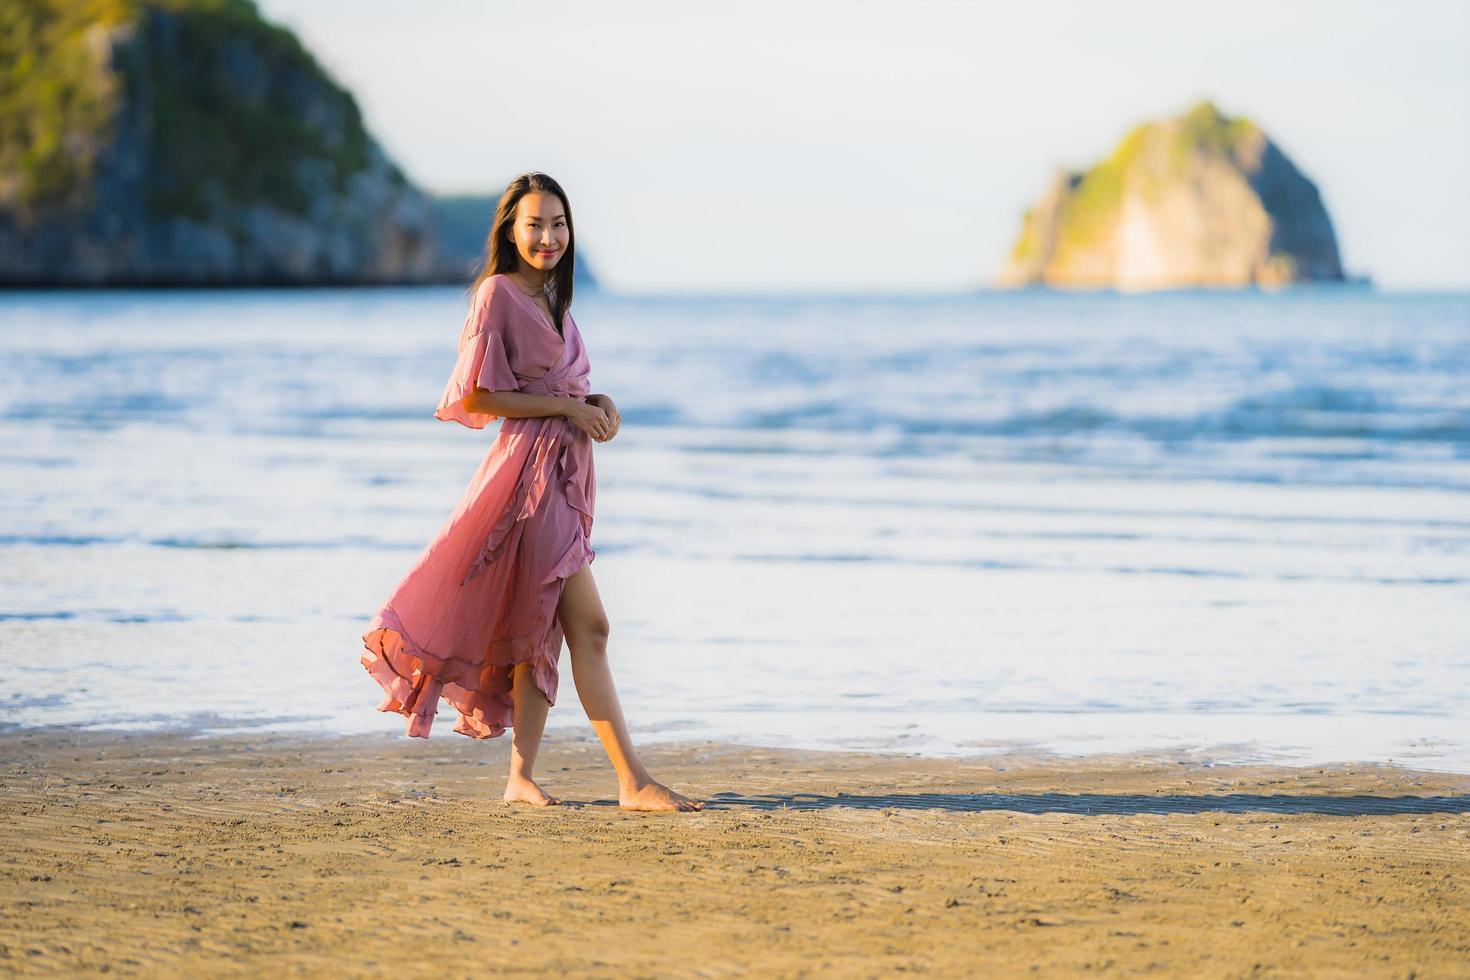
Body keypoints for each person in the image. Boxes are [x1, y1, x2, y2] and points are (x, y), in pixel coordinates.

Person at [360, 171, 703, 813]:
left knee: (538, 630)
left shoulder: (556, 302)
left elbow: (563, 385)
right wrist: (568, 412)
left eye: (558, 224)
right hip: (528, 478)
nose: (548, 237)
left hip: (564, 479)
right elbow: (477, 396)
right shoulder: (497, 294)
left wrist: (598, 403)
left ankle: (521, 780)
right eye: (534, 224)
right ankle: (632, 783)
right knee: (590, 626)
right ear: (510, 232)